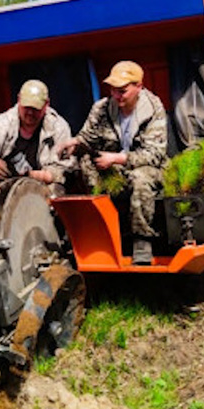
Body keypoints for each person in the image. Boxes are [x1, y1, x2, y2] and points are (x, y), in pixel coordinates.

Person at [59, 61, 168, 265]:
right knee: (85, 163)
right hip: (113, 168)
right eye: (113, 90)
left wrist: (117, 158)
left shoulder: (153, 110)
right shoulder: (102, 108)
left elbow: (154, 154)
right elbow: (87, 137)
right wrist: (74, 143)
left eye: (123, 91)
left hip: (147, 167)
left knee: (140, 178)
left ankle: (141, 240)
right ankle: (102, 230)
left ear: (139, 87)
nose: (117, 96)